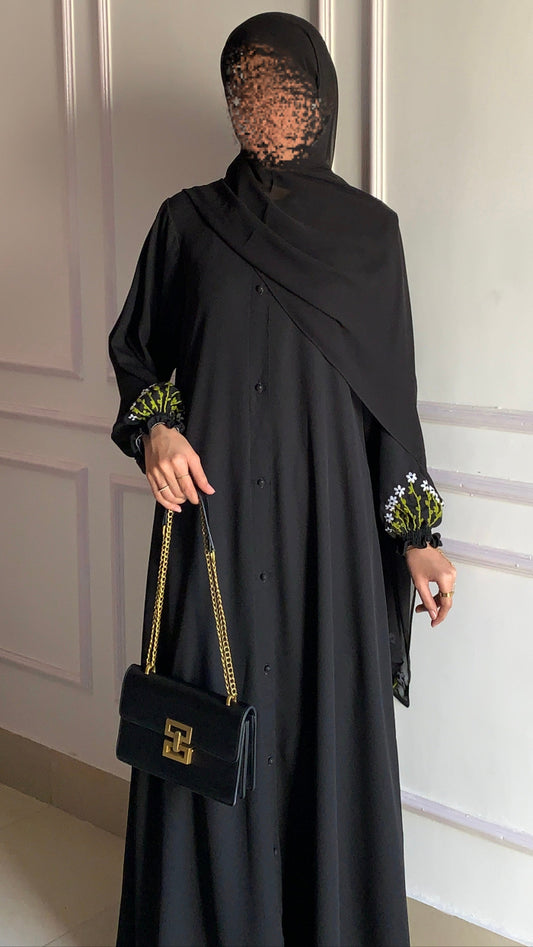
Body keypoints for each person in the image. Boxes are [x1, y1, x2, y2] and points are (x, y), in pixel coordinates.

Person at [109, 12, 456, 947]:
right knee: (206, 732)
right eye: (248, 87)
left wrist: (417, 538)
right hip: (212, 537)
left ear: (322, 100)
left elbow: (392, 407)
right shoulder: (185, 226)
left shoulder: (369, 237)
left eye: (285, 88)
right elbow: (140, 359)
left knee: (316, 734)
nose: (266, 106)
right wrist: (157, 432)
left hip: (326, 543)